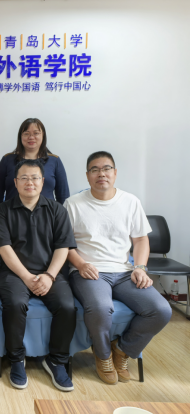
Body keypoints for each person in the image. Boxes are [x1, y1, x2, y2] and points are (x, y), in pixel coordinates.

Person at [65, 151, 171, 385]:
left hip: (124, 271)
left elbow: (141, 240)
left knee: (161, 310)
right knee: (101, 307)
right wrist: (81, 264)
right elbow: (65, 244)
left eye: (106, 169)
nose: (101, 174)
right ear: (87, 175)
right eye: (94, 169)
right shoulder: (73, 204)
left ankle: (122, 350)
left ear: (115, 173)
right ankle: (103, 355)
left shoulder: (130, 201)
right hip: (89, 271)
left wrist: (140, 267)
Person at [0, 159, 77, 392]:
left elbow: (63, 247)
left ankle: (56, 360)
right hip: (14, 273)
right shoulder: (2, 211)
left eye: (35, 178)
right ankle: (16, 359)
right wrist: (27, 277)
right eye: (24, 178)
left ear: (43, 181)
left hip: (50, 272)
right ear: (15, 182)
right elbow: (4, 248)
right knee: (15, 304)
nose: (30, 182)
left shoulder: (57, 209)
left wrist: (49, 275)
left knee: (67, 307)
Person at [0, 118, 69, 208]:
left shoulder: (54, 160)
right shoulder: (7, 160)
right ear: (20, 136)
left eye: (36, 133)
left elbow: (63, 196)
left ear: (43, 135)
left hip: (48, 214)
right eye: (26, 134)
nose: (31, 137)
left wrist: (60, 215)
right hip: (11, 214)